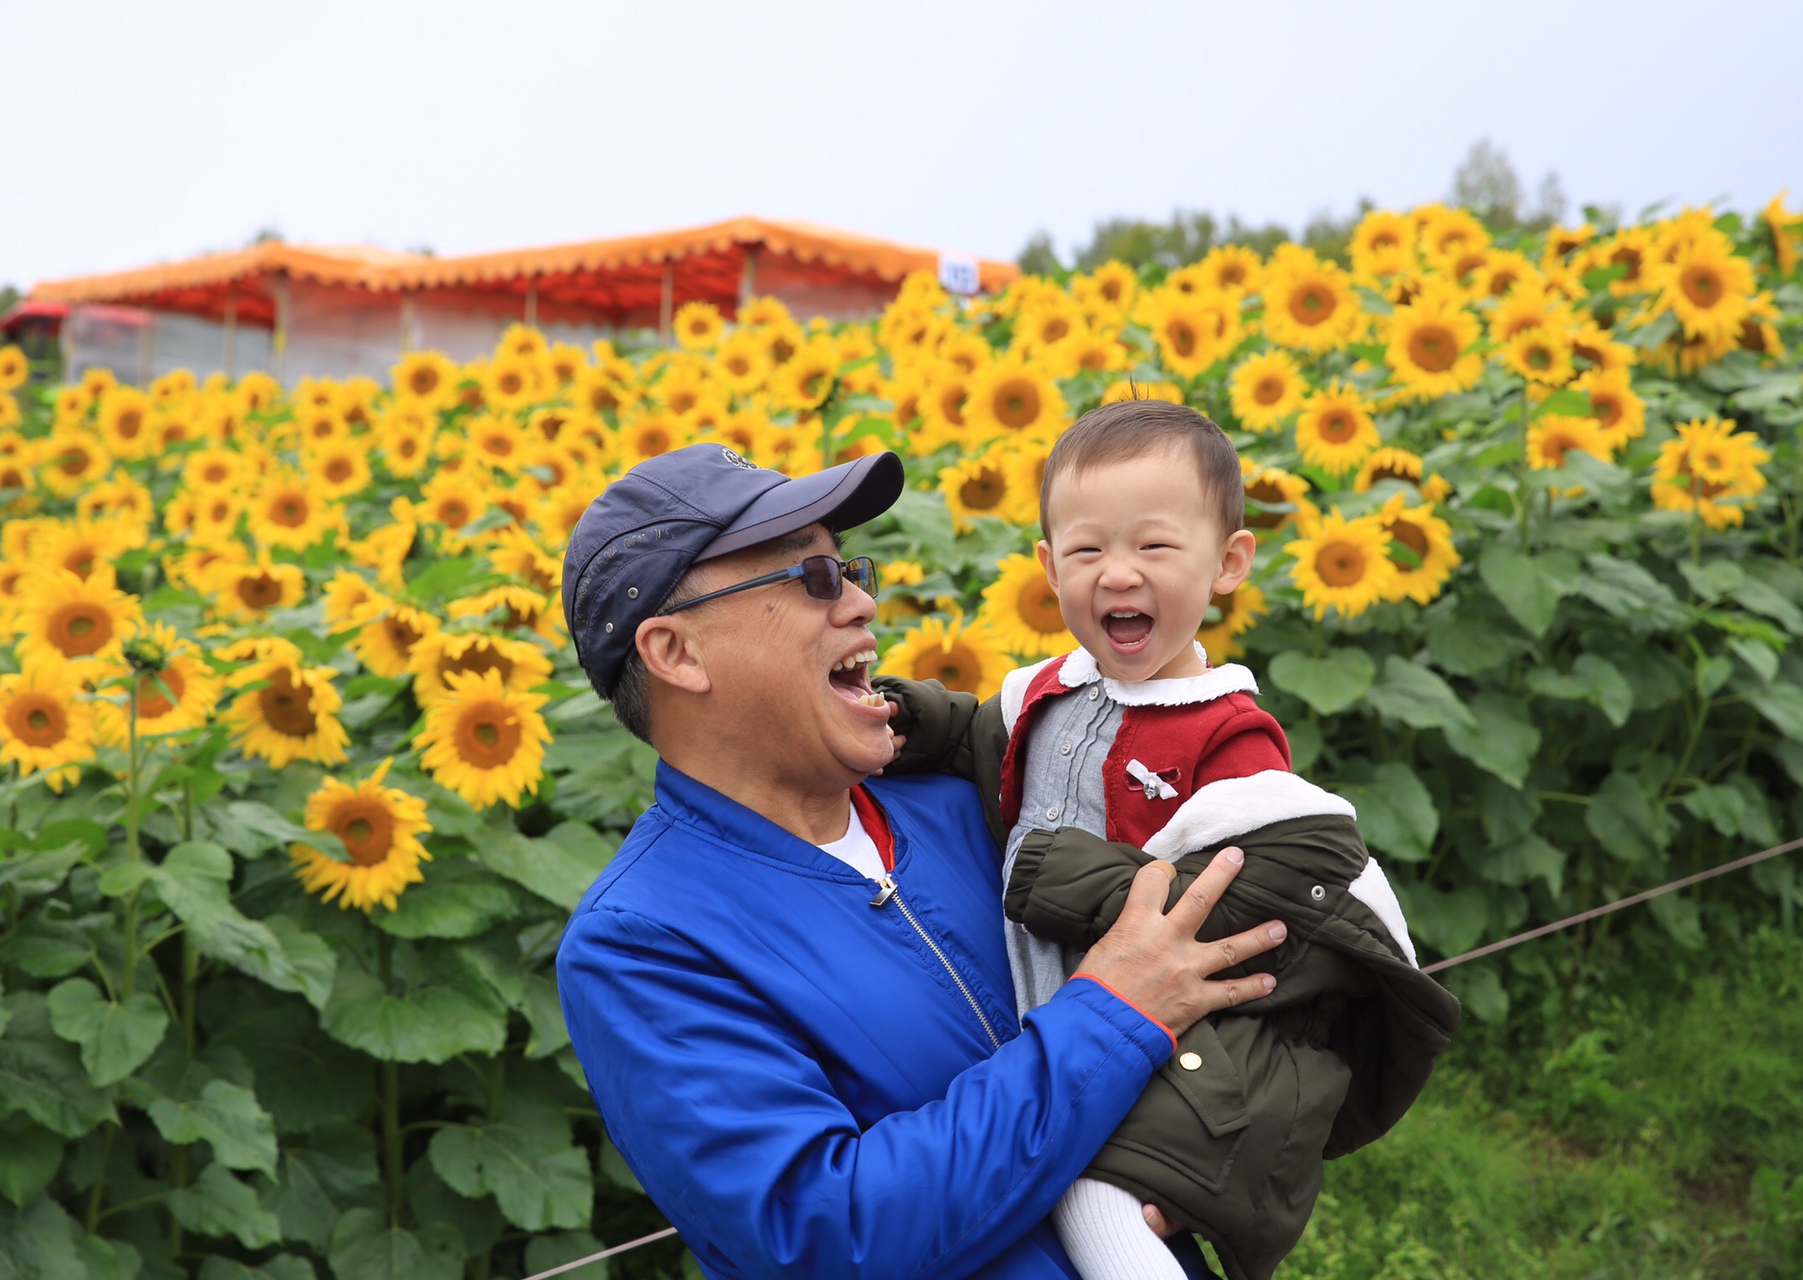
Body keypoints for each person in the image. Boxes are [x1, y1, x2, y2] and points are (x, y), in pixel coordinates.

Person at [554, 441, 1292, 1280]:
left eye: (851, 569)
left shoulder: (974, 801)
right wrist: (1113, 1017)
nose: (864, 603)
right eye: (812, 580)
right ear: (676, 654)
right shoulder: (644, 941)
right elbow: (828, 1232)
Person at [875, 401, 1462, 1280]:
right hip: (1069, 1010)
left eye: (1153, 547)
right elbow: (982, 739)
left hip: (1187, 1035)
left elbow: (1252, 889)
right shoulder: (1047, 690)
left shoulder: (1227, 732)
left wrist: (1062, 877)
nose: (1118, 575)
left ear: (1227, 564)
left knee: (1097, 1203)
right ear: (1046, 568)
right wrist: (917, 718)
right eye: (1086, 551)